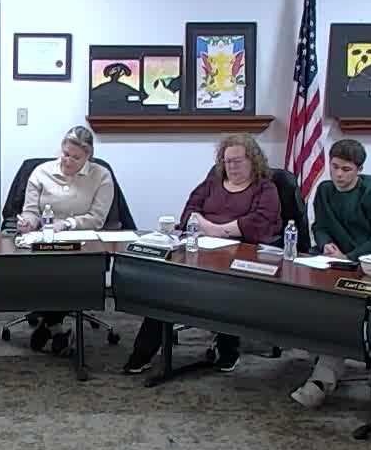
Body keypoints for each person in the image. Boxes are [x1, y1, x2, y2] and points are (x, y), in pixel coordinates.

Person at [123, 134, 282, 375]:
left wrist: (213, 228)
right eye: (227, 161)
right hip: (201, 247)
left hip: (241, 253)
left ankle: (228, 348)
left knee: (224, 286)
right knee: (165, 285)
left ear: (253, 160)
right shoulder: (213, 182)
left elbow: (258, 223)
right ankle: (144, 351)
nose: (231, 166)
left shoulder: (265, 188)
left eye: (237, 161)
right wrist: (211, 228)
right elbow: (190, 211)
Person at [293, 138, 371, 407]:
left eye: (346, 169)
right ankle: (323, 356)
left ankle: (323, 376)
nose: (339, 175)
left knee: (340, 313)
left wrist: (350, 257)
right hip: (335, 263)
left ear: (359, 170)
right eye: (335, 167)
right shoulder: (325, 191)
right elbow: (320, 226)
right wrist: (326, 245)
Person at [16, 125, 115, 356]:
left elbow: (97, 218)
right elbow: (31, 210)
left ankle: (51, 325)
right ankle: (55, 328)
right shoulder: (41, 172)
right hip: (45, 241)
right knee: (50, 270)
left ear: (88, 156)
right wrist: (28, 222)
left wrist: (67, 224)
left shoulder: (101, 176)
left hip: (82, 242)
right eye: (65, 154)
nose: (68, 161)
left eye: (76, 157)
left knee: (69, 271)